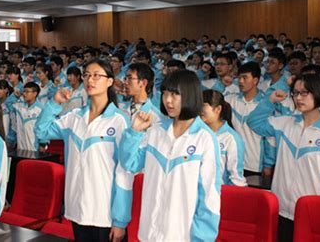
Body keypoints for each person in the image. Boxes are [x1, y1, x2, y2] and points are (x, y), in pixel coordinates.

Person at [35, 59, 132, 242]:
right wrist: (55, 103)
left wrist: (120, 220)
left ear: (110, 81)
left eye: (97, 75)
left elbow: (124, 172)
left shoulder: (119, 121)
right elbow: (41, 131)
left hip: (105, 213)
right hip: (77, 208)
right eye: (87, 75)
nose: (90, 80)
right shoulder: (73, 117)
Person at [119, 70, 221, 241]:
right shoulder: (156, 131)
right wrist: (134, 133)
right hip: (150, 232)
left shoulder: (205, 139)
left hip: (182, 235)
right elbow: (130, 163)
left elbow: (210, 197)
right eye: (165, 93)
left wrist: (201, 238)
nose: (167, 100)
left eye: (175, 94)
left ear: (190, 95)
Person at [247, 74, 320, 241]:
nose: (299, 98)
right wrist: (269, 101)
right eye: (295, 93)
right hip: (280, 210)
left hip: (312, 215)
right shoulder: (285, 123)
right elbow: (254, 122)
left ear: (318, 93)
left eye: (304, 93)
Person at [201, 89, 246, 186]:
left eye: (203, 106)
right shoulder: (199, 134)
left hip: (221, 196)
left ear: (217, 109)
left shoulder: (231, 139)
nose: (199, 110)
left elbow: (236, 179)